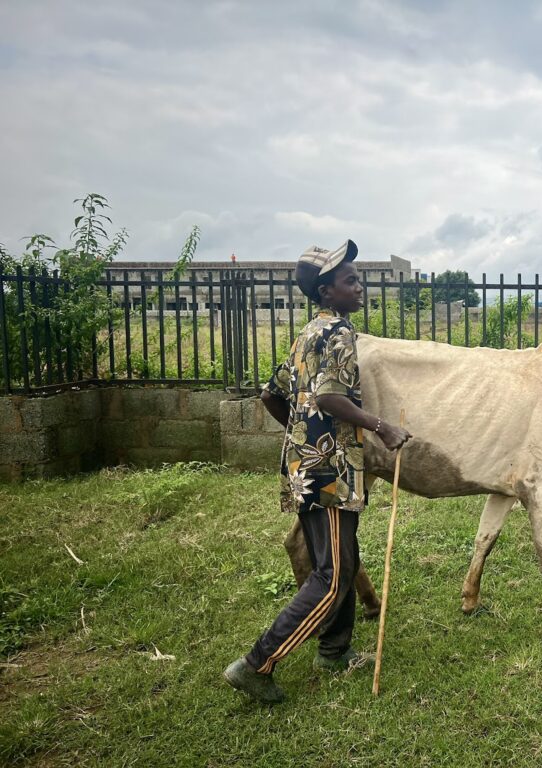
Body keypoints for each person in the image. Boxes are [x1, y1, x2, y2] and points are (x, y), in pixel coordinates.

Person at [224, 239, 411, 704]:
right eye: (350, 281)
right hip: (328, 470)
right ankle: (256, 664)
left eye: (357, 278)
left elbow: (271, 394)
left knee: (342, 558)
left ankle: (334, 650)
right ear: (327, 293)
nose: (359, 285)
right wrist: (382, 427)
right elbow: (330, 398)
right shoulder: (339, 335)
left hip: (311, 463)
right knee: (331, 575)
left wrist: (300, 433)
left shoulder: (307, 334)